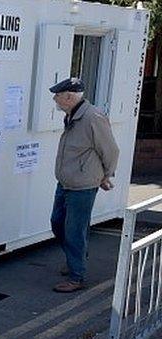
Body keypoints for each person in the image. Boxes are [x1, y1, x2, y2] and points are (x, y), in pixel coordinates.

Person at [49, 77, 119, 293]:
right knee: (57, 222)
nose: (55, 100)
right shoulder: (73, 115)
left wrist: (107, 175)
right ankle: (75, 257)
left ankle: (76, 276)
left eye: (58, 96)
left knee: (74, 230)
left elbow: (111, 150)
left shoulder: (92, 117)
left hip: (83, 183)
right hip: (66, 181)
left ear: (69, 97)